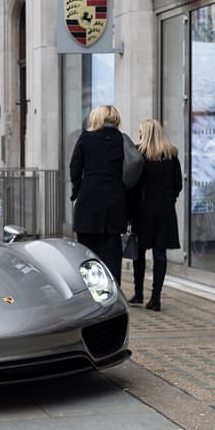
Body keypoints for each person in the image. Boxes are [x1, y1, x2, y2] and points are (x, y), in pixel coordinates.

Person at [128, 118, 182, 311]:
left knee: (139, 253)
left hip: (142, 210)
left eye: (141, 132)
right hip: (165, 210)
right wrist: (169, 199)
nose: (139, 135)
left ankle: (138, 293)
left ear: (146, 134)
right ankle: (156, 298)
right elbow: (178, 185)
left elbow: (132, 185)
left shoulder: (138, 153)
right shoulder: (171, 155)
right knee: (160, 253)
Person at [69, 104, 126, 282]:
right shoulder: (123, 140)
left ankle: (91, 292)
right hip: (115, 201)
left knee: (87, 252)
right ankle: (113, 291)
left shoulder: (86, 139)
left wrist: (77, 191)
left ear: (97, 119)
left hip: (89, 199)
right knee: (113, 252)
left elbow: (75, 168)